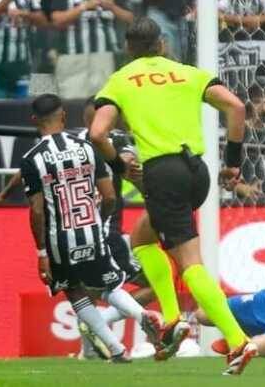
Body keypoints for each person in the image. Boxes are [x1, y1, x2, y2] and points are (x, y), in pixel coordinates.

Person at [90, 17, 257, 375]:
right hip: (197, 172)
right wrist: (233, 164)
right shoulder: (187, 72)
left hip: (162, 174)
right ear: (162, 45)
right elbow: (237, 108)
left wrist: (119, 166)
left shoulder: (121, 80)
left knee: (189, 261)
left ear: (129, 49)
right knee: (142, 237)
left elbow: (97, 132)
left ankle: (238, 340)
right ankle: (170, 321)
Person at [19, 93, 162, 362]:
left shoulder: (32, 158)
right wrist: (98, 221)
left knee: (74, 290)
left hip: (59, 239)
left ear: (34, 121)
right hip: (93, 231)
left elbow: (37, 211)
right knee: (110, 286)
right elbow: (109, 196)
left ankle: (117, 350)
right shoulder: (88, 147)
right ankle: (141, 315)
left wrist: (41, 253)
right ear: (63, 115)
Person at [48, 0, 134, 99]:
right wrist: (85, 6)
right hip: (72, 58)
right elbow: (56, 20)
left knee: (102, 103)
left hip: (105, 58)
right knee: (71, 103)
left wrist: (112, 7)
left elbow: (131, 19)